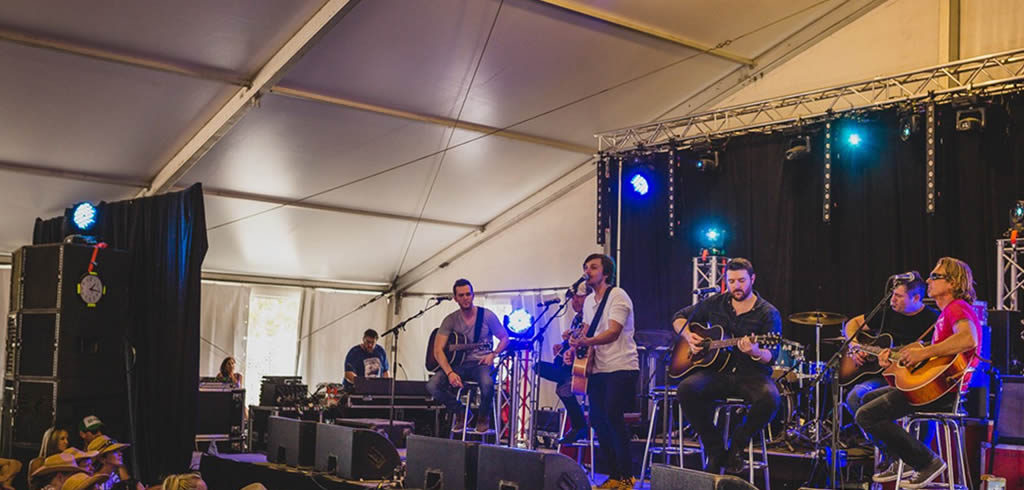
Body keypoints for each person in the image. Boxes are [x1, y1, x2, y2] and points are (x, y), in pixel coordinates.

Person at [855, 257, 982, 488]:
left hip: (942, 393)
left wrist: (923, 354)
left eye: (935, 276)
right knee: (866, 398)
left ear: (952, 283)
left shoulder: (957, 308)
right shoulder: (945, 314)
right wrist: (893, 358)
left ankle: (926, 462)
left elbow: (968, 338)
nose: (928, 280)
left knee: (865, 415)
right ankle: (897, 458)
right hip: (937, 388)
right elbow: (933, 359)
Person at [672, 257, 782, 475]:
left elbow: (771, 356)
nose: (736, 286)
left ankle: (737, 445)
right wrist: (689, 336)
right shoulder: (716, 302)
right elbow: (679, 317)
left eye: (741, 280)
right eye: (731, 281)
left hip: (751, 375)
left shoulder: (768, 313)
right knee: (686, 389)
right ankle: (714, 449)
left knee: (770, 399)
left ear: (752, 279)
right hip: (717, 372)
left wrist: (756, 351)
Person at [562, 254, 639, 489]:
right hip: (597, 367)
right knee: (596, 419)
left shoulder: (617, 295)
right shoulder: (587, 302)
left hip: (621, 366)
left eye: (593, 267)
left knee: (613, 416)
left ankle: (628, 476)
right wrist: (573, 346)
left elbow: (614, 332)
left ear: (605, 273)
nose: (588, 271)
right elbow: (587, 331)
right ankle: (614, 476)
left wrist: (586, 342)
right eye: (585, 267)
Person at [426, 278, 510, 434]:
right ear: (455, 298)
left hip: (481, 364)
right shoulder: (451, 320)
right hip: (459, 365)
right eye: (461, 295)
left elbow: (505, 338)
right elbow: (438, 350)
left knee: (487, 384)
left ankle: (483, 417)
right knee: (432, 385)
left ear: (473, 295)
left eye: (468, 294)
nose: (465, 298)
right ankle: (461, 412)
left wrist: (494, 354)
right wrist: (450, 372)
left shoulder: (487, 316)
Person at [533, 281, 591, 444]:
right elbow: (573, 341)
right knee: (540, 367)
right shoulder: (577, 320)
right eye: (573, 299)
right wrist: (563, 346)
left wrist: (571, 349)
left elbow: (587, 341)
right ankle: (579, 426)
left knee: (562, 386)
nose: (575, 302)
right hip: (573, 365)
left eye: (578, 298)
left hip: (589, 367)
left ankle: (579, 426)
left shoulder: (591, 317)